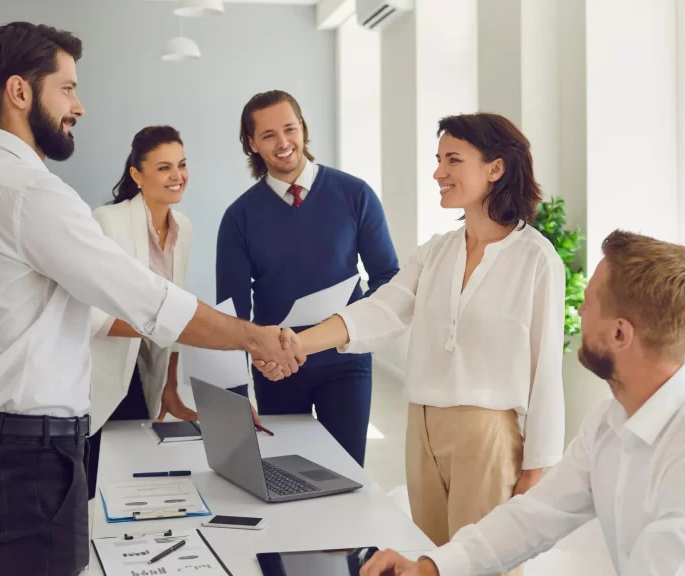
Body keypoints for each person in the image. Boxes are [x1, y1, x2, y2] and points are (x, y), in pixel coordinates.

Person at [0, 23, 303, 576]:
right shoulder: (32, 194)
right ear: (20, 92)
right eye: (67, 88)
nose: (79, 105)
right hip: (29, 457)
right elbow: (147, 301)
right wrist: (254, 337)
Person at [356, 230, 685, 576]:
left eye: (588, 304)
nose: (580, 314)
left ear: (621, 334)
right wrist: (431, 566)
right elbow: (534, 517)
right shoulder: (611, 421)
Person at [258, 113, 566, 572]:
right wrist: (298, 344)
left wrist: (536, 469)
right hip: (422, 428)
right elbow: (380, 309)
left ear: (496, 168)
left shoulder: (536, 258)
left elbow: (546, 372)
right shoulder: (439, 250)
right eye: (438, 159)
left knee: (483, 566)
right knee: (430, 561)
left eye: (453, 160)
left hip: (487, 436)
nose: (438, 172)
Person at [216, 90, 400, 467]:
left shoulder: (355, 195)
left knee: (347, 474)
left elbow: (387, 280)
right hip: (277, 369)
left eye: (290, 129)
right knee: (287, 473)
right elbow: (232, 315)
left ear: (304, 129)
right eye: (268, 135)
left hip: (346, 363)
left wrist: (358, 332)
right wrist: (235, 395)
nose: (283, 143)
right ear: (251, 144)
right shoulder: (239, 218)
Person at [83, 125, 264, 501]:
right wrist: (168, 329)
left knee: (132, 468)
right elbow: (93, 316)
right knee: (101, 471)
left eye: (181, 165)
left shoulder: (184, 227)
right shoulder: (107, 221)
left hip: (148, 367)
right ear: (137, 174)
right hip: (107, 367)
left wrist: (169, 385)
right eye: (164, 167)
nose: (177, 176)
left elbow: (175, 302)